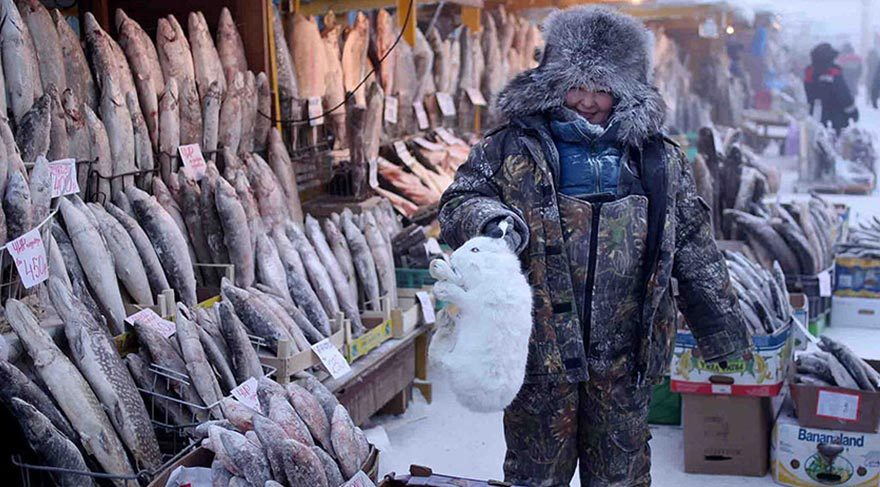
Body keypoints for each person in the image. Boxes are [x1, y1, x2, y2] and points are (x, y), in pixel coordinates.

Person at [439, 7, 751, 487]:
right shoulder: (509, 147)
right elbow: (460, 200)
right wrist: (490, 220)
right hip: (539, 355)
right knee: (535, 476)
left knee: (621, 477)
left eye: (602, 88)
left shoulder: (658, 159)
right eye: (575, 85)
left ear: (626, 90)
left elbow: (691, 243)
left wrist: (722, 332)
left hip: (626, 357)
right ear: (551, 81)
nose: (587, 101)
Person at [805, 42, 858, 132]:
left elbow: (807, 95)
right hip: (836, 120)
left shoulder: (809, 73)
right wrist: (853, 112)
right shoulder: (833, 73)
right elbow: (844, 95)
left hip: (815, 118)